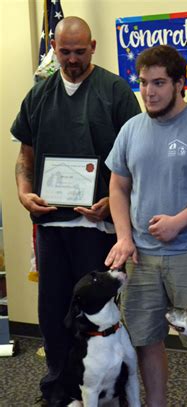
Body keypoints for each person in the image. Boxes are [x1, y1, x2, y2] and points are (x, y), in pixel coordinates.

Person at [11, 16, 141, 404]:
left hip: (96, 227)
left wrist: (113, 203)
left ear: (94, 47)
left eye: (79, 51)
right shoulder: (39, 94)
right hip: (51, 225)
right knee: (53, 315)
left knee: (99, 319)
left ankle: (106, 390)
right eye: (64, 51)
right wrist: (23, 191)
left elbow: (135, 159)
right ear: (53, 46)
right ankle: (59, 390)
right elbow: (25, 154)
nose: (71, 59)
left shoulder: (114, 92)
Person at [104, 45, 187, 407]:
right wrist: (123, 237)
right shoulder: (131, 129)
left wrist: (179, 222)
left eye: (159, 82)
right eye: (144, 82)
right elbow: (117, 185)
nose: (149, 91)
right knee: (146, 339)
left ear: (180, 83)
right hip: (142, 258)